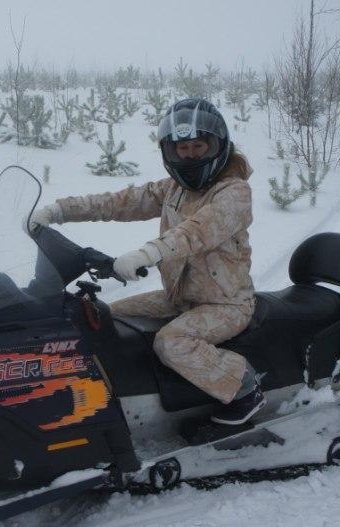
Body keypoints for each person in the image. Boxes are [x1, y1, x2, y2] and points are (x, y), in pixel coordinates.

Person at [30, 98, 264, 425]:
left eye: (198, 145)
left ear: (217, 146)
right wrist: (60, 211)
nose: (190, 154)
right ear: (169, 150)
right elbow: (120, 202)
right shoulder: (173, 188)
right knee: (107, 317)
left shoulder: (234, 193)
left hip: (225, 304)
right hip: (180, 297)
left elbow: (195, 232)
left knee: (172, 343)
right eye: (181, 147)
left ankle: (243, 387)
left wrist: (148, 253)